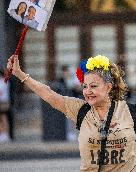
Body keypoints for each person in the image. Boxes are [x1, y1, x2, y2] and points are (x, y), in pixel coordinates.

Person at [7, 55, 136, 171]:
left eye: (93, 86)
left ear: (108, 87)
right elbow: (49, 94)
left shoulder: (130, 112)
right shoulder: (81, 110)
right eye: (85, 86)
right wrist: (20, 74)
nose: (87, 91)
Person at [0, 70, 10, 143]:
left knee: (3, 118)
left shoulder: (2, 82)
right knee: (3, 118)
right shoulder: (5, 81)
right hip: (5, 101)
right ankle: (4, 134)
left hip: (2, 102)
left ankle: (4, 134)